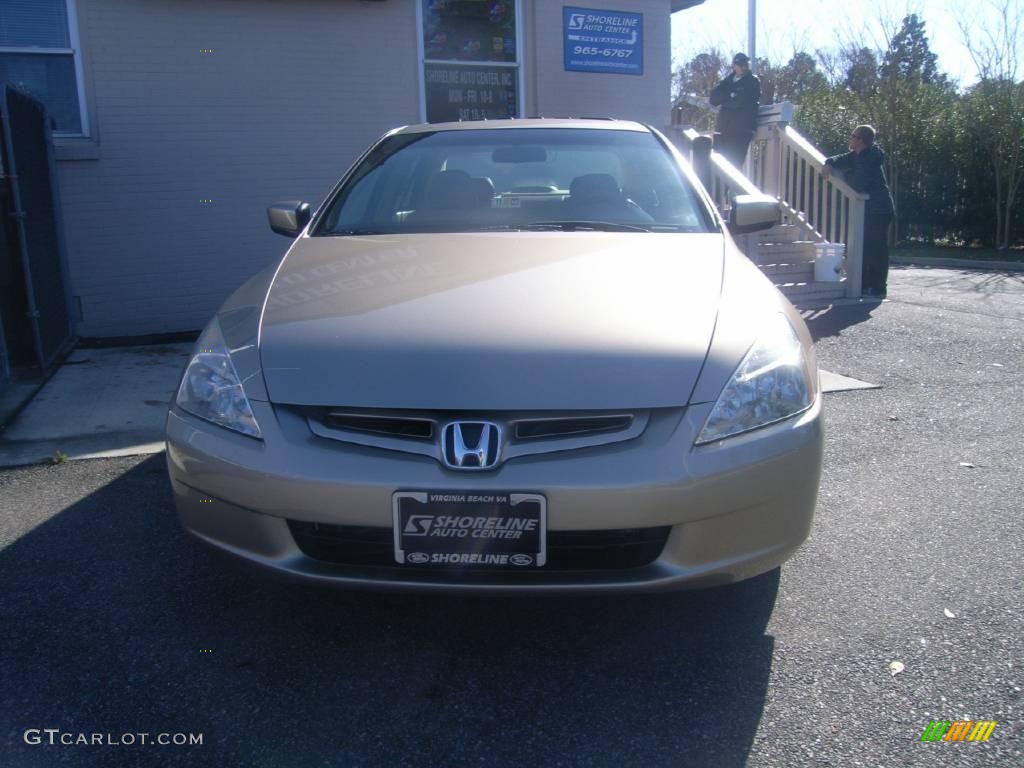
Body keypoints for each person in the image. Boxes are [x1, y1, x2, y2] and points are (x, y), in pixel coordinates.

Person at [822, 125, 896, 298]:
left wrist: (843, 176)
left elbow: (858, 184)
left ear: (860, 140)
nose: (850, 138)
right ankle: (866, 284)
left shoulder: (870, 158)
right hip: (870, 209)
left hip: (880, 209)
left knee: (877, 249)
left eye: (852, 136)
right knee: (866, 247)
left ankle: (879, 287)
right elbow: (841, 158)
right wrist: (829, 163)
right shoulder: (858, 154)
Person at [709, 53, 761, 169]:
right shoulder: (727, 81)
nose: (744, 67)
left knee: (734, 166)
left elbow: (742, 101)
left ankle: (729, 187)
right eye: (740, 64)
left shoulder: (752, 81)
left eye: (745, 64)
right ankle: (717, 188)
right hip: (723, 129)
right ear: (734, 65)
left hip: (741, 131)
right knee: (717, 165)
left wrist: (726, 99)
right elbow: (713, 99)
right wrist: (731, 95)